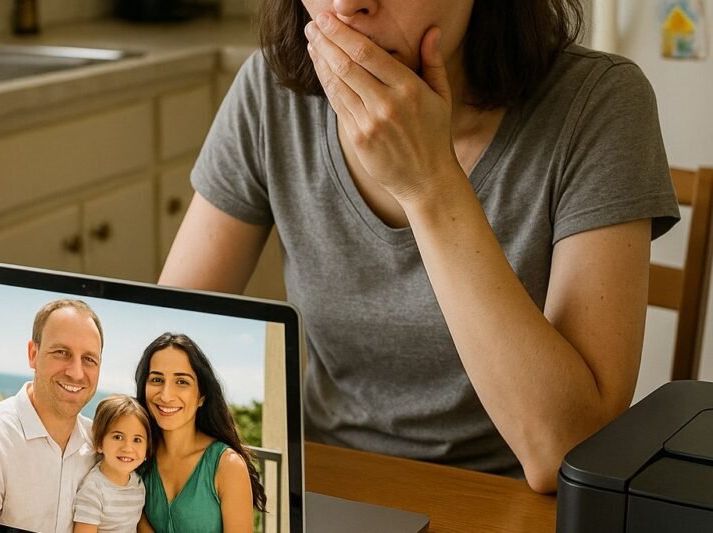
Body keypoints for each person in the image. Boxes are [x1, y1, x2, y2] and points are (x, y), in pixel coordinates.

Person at [158, 0, 681, 493]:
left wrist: (429, 184)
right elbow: (166, 343)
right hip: (327, 485)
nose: (346, 6)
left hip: (511, 500)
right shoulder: (269, 92)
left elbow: (565, 453)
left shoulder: (601, 102)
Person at [0, 299, 104, 532]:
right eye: (61, 353)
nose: (76, 372)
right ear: (33, 354)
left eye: (89, 359)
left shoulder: (100, 444)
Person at [134, 333, 266, 533]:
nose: (166, 395)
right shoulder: (136, 456)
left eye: (182, 382)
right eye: (157, 379)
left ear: (202, 396)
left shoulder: (227, 465)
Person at [73, 394, 150, 533]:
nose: (127, 448)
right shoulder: (94, 490)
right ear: (99, 443)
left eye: (137, 440)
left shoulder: (137, 483)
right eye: (118, 437)